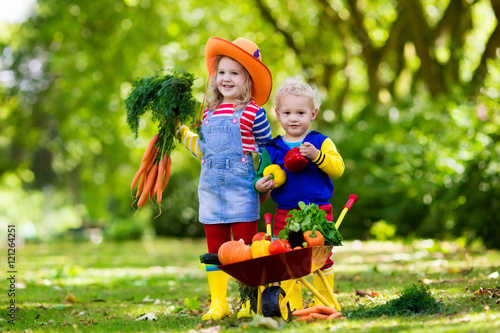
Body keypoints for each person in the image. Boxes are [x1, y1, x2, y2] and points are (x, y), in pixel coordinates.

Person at [176, 37, 273, 320]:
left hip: (242, 189)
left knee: (244, 249)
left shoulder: (254, 113)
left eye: (235, 73)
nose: (226, 78)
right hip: (211, 191)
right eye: (222, 72)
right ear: (214, 76)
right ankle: (219, 303)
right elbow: (204, 151)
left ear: (248, 79)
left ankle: (248, 301)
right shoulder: (208, 112)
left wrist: (264, 178)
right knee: (214, 251)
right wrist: (181, 133)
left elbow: (268, 150)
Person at [253, 76, 345, 310]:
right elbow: (259, 174)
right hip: (286, 213)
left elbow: (338, 168)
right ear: (278, 113)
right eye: (287, 113)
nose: (293, 118)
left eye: (300, 113)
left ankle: (324, 304)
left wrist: (317, 156)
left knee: (321, 257)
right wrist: (260, 185)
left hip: (318, 211)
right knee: (285, 256)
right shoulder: (272, 148)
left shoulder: (320, 142)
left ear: (313, 114)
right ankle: (291, 306)